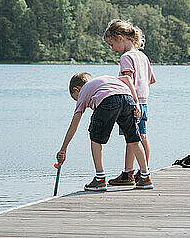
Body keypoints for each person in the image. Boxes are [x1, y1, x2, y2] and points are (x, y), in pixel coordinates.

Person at [56, 72, 154, 191]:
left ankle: (100, 179)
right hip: (128, 99)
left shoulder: (83, 91)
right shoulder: (105, 80)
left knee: (95, 138)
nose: (79, 101)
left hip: (108, 101)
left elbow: (74, 125)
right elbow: (127, 78)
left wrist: (63, 149)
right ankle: (145, 177)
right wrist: (137, 103)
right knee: (134, 139)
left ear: (77, 89)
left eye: (75, 98)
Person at [103, 19, 156, 186]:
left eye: (112, 44)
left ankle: (131, 174)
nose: (112, 49)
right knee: (141, 137)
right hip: (144, 101)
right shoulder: (142, 56)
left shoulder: (126, 57)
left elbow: (128, 81)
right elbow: (152, 79)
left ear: (120, 38)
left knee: (132, 138)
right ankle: (141, 171)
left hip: (131, 102)